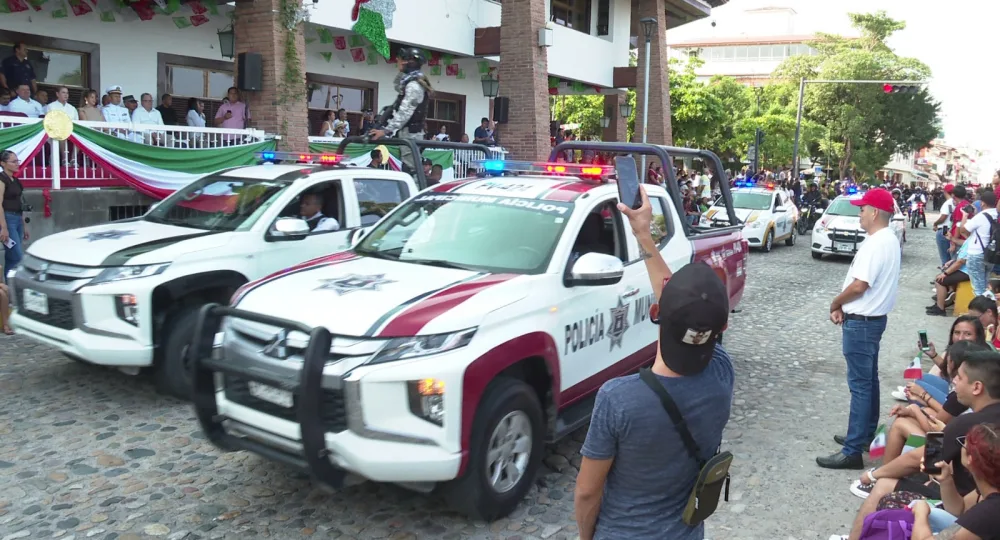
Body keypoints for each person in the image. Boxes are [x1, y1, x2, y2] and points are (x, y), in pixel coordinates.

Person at [575, 186, 734, 540]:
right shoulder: (722, 373)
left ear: (655, 313)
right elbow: (683, 312)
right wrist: (643, 234)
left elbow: (587, 492)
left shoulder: (618, 399)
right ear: (720, 328)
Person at [818, 188, 902, 469]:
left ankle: (853, 450)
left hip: (862, 322)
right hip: (872, 321)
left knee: (861, 385)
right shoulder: (888, 239)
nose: (860, 213)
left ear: (875, 212)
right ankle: (863, 435)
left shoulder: (877, 242)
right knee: (869, 381)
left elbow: (859, 285)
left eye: (863, 208)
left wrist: (835, 303)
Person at [911, 422, 1000, 539]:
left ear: (970, 459)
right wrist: (946, 480)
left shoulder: (989, 511)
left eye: (963, 444)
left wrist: (920, 514)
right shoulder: (990, 484)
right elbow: (960, 509)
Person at [368, 48, 431, 171]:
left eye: (402, 59)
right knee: (408, 167)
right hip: (408, 133)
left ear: (410, 62)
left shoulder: (414, 85)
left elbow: (405, 112)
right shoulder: (409, 82)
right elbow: (397, 85)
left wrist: (385, 131)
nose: (398, 61)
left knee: (411, 169)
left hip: (412, 134)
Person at [959, 191, 998, 297]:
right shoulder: (997, 215)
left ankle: (982, 311)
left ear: (982, 203)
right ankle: (988, 308)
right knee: (985, 285)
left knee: (978, 289)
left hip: (977, 254)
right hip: (991, 254)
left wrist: (964, 216)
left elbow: (963, 230)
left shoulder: (981, 216)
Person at [0, 150, 28, 285]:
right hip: (7, 219)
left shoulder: (16, 180)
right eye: (13, 161)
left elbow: (20, 203)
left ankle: (10, 291)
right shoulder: (2, 179)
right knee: (17, 256)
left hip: (17, 219)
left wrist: (24, 225)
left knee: (11, 257)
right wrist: (3, 227)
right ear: (3, 163)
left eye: (18, 161)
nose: (17, 164)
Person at [934, 184, 957, 267]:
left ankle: (945, 273)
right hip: (952, 230)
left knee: (945, 257)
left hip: (944, 228)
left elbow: (943, 217)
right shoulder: (956, 202)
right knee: (951, 257)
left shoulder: (948, 203)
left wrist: (935, 223)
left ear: (945, 192)